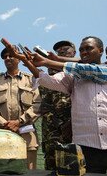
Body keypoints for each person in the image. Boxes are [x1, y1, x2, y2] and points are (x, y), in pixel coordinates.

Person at [9, 36, 107, 175]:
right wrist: (26, 61)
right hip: (86, 145)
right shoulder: (72, 76)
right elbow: (46, 80)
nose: (84, 52)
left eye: (88, 48)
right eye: (81, 50)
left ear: (101, 50)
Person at [0, 45, 41, 170]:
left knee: (29, 171)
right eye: (5, 57)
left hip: (26, 133)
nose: (7, 58)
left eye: (11, 55)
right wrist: (5, 124)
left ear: (19, 59)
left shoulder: (31, 79)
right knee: (3, 170)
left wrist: (19, 122)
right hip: (2, 134)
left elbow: (37, 105)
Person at [39, 40, 75, 171]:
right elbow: (44, 105)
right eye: (58, 50)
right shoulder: (49, 76)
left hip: (76, 131)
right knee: (52, 167)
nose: (61, 51)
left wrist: (71, 123)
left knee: (74, 166)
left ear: (74, 52)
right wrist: (59, 124)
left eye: (66, 48)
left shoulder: (80, 73)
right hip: (52, 132)